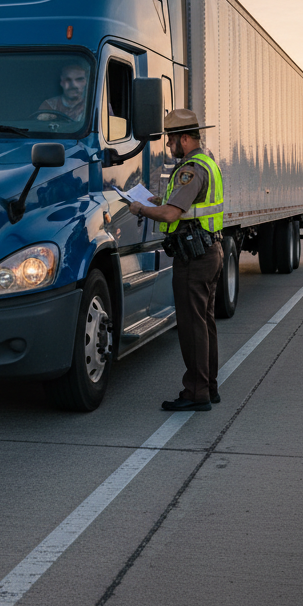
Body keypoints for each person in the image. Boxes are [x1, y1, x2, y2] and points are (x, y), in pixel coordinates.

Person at [129, 109, 224, 412]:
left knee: (192, 326)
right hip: (209, 252)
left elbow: (172, 214)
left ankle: (196, 393)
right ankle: (208, 386)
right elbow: (182, 204)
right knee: (205, 323)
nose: (168, 146)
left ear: (184, 138)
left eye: (171, 140)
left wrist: (141, 210)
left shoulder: (190, 169)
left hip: (194, 258)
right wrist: (159, 201)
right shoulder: (205, 163)